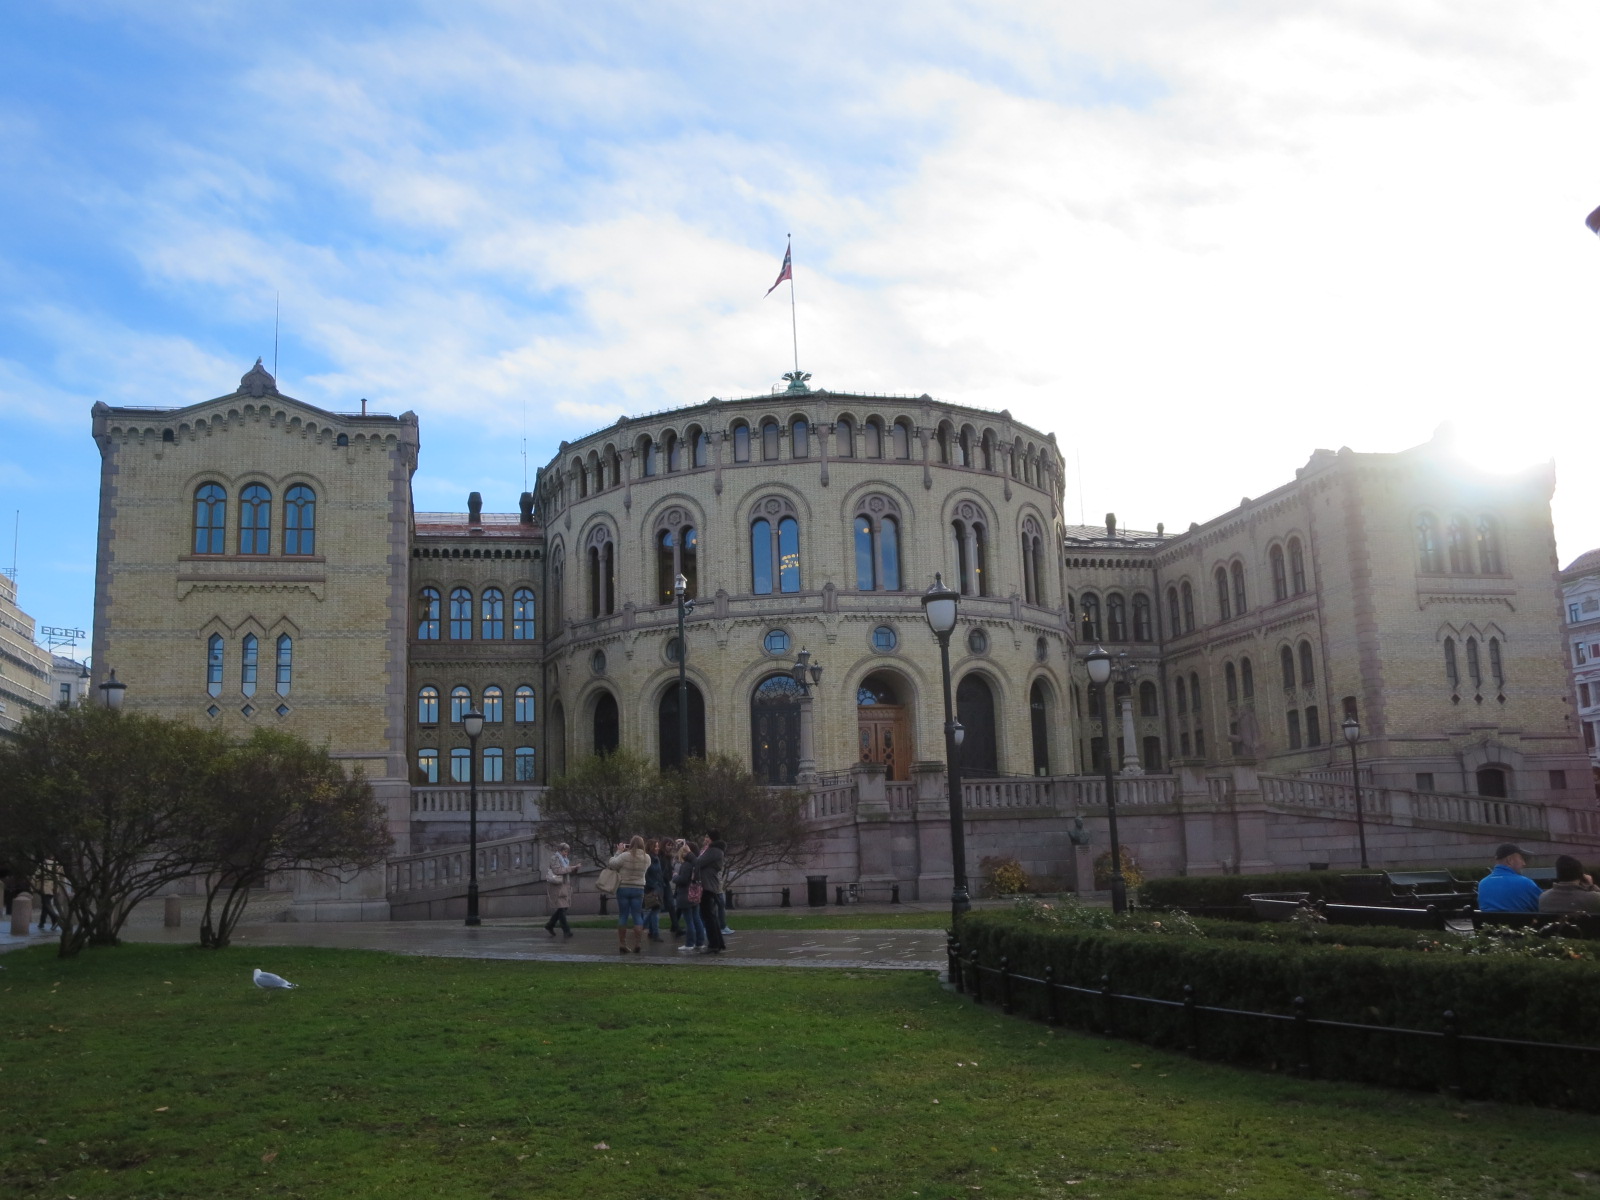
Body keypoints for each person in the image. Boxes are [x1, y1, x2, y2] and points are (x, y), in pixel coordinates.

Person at [608, 835, 653, 954]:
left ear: (631, 844)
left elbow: (612, 864)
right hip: (638, 889)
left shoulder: (624, 856)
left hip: (623, 887)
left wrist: (618, 851)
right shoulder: (647, 857)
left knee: (623, 915)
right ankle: (638, 943)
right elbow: (646, 869)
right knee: (637, 915)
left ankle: (623, 943)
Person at [1477, 844, 1541, 913]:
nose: (1524, 863)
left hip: (1489, 923)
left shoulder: (1483, 884)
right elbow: (1545, 906)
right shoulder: (1525, 883)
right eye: (1521, 858)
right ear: (1509, 860)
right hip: (1521, 923)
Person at [692, 831, 727, 955]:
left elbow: (699, 862)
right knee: (710, 915)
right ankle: (718, 943)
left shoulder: (714, 851)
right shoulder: (715, 851)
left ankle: (713, 944)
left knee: (708, 916)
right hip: (709, 885)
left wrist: (690, 855)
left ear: (712, 838)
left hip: (707, 886)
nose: (705, 839)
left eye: (707, 837)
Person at [674, 842, 706, 952]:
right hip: (694, 895)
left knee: (689, 921)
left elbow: (683, 880)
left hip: (685, 895)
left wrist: (675, 877)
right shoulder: (695, 864)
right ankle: (700, 942)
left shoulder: (686, 865)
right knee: (697, 918)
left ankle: (689, 943)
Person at [543, 842, 578, 938]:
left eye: (567, 851)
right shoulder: (555, 858)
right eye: (565, 851)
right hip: (557, 886)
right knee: (562, 908)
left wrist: (574, 869)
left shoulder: (565, 859)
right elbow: (557, 871)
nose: (566, 853)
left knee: (563, 907)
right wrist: (571, 868)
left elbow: (565, 871)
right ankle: (566, 931)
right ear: (560, 850)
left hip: (564, 885)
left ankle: (550, 925)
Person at [642, 839, 665, 943]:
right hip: (653, 888)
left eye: (658, 846)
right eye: (655, 846)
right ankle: (653, 932)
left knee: (653, 910)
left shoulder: (656, 858)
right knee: (654, 911)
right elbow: (648, 874)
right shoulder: (650, 859)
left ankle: (650, 931)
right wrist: (655, 886)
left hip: (656, 887)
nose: (657, 848)